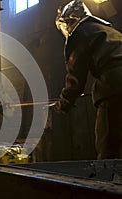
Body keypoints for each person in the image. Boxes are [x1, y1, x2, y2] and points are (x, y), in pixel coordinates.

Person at [54, 0, 122, 159]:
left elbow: (76, 77)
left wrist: (63, 103)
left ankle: (108, 183)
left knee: (109, 145)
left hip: (114, 87)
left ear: (68, 22)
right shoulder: (108, 31)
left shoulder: (80, 33)